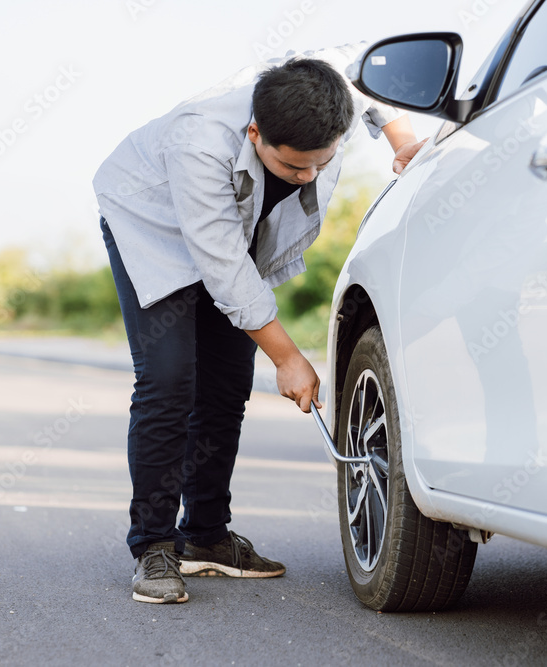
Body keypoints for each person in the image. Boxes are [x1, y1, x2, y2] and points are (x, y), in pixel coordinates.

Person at [93, 43, 424, 604]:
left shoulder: (320, 85)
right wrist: (288, 357)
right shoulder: (199, 141)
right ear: (254, 134)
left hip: (231, 235)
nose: (307, 177)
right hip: (153, 223)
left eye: (321, 162)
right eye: (293, 165)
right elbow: (223, 266)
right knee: (169, 379)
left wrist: (402, 140)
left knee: (225, 384)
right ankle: (153, 545)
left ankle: (206, 537)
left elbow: (361, 66)